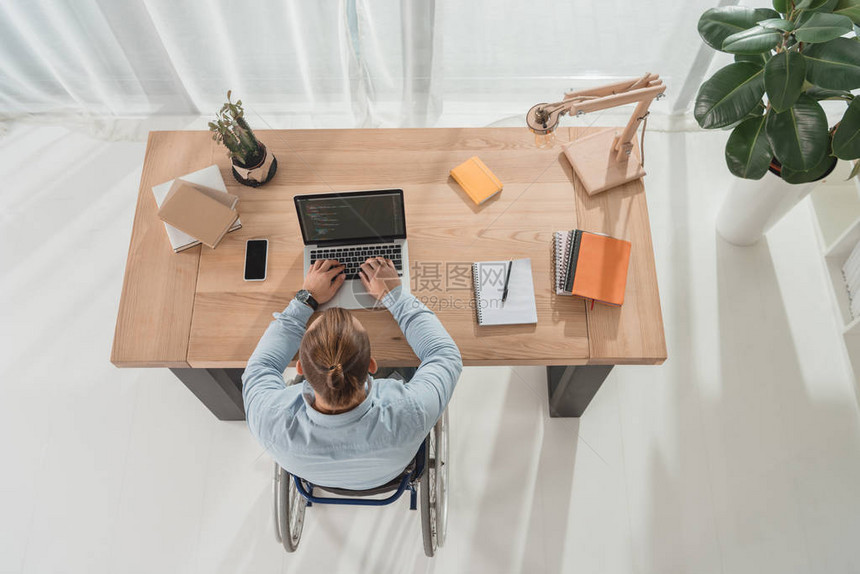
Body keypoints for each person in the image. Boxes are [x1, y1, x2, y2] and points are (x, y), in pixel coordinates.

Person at [242, 257, 463, 490]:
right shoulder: (410, 410)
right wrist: (394, 296)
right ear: (371, 365)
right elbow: (444, 354)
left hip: (320, 480)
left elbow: (262, 366)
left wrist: (307, 299)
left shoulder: (268, 418)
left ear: (300, 369)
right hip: (390, 473)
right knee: (413, 366)